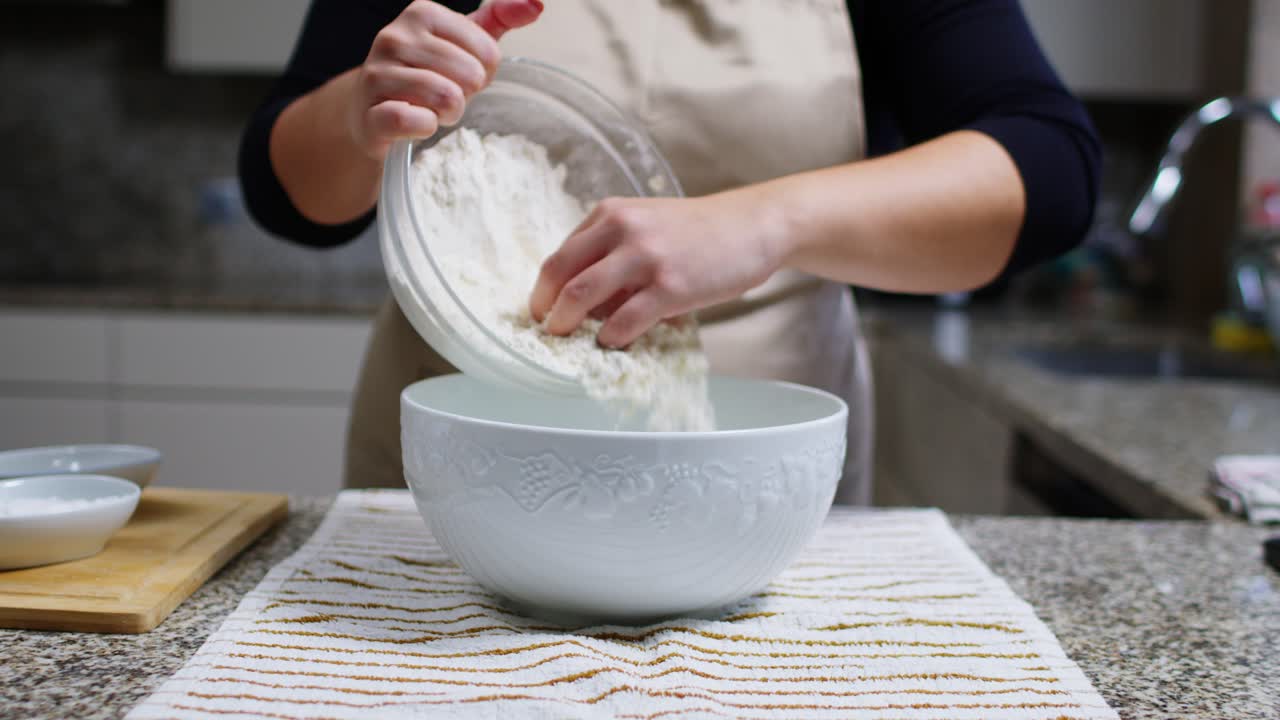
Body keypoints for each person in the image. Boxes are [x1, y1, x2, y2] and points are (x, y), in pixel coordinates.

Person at [239, 0, 1101, 501]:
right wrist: (361, 106)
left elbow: (1050, 171)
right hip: (469, 488)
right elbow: (290, 197)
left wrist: (767, 223)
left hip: (757, 487)